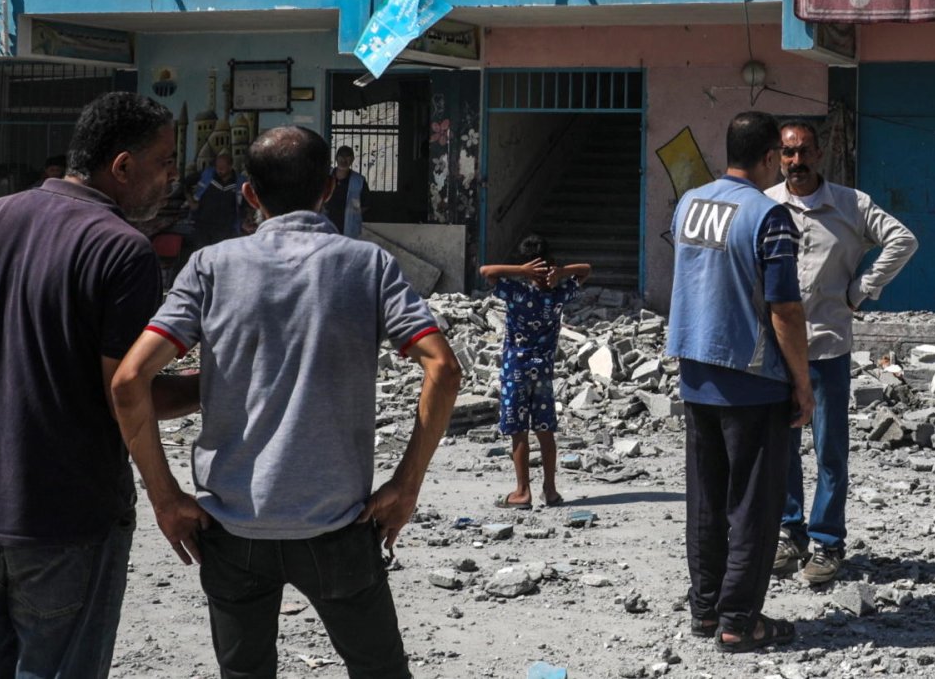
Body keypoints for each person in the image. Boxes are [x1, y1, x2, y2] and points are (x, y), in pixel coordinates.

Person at [113, 125, 460, 679]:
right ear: (328, 188)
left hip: (230, 529)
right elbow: (443, 368)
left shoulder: (210, 267)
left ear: (249, 194)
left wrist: (165, 496)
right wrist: (405, 484)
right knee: (380, 669)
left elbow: (130, 381)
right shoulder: (366, 265)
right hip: (338, 526)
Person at [0, 92, 196, 679]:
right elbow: (128, 395)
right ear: (123, 167)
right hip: (67, 523)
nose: (171, 178)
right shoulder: (122, 249)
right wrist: (212, 391)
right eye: (163, 162)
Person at [667, 109, 812, 654]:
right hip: (752, 378)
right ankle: (738, 621)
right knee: (754, 504)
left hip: (695, 371)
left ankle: (705, 611)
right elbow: (785, 310)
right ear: (772, 156)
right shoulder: (770, 217)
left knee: (705, 500)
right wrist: (803, 383)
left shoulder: (689, 203)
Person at [767, 121, 919, 585]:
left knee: (829, 450)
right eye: (789, 154)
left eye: (805, 152)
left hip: (827, 348)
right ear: (778, 157)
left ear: (820, 154)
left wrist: (860, 291)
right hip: (775, 350)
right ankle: (789, 535)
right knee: (782, 449)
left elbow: (903, 240)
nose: (797, 162)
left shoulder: (852, 205)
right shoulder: (767, 204)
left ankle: (828, 544)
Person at [477, 235, 592, 509]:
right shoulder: (559, 295)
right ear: (551, 264)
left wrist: (521, 271)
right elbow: (586, 270)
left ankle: (522, 492)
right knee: (545, 431)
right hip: (542, 374)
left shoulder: (517, 292)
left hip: (515, 370)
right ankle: (550, 491)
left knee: (519, 432)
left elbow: (485, 272)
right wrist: (562, 272)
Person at [329, 146, 366, 239]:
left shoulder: (359, 181)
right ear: (336, 158)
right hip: (326, 228)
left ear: (352, 159)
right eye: (341, 156)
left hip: (349, 230)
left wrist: (353, 215)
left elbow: (365, 204)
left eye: (347, 157)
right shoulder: (325, 177)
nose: (344, 160)